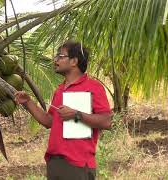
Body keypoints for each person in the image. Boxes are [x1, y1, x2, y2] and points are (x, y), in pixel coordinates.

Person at [15, 41, 112, 180]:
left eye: (60, 56)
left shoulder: (93, 87)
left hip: (77, 164)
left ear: (74, 61)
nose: (55, 60)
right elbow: (49, 121)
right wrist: (28, 102)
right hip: (55, 162)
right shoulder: (60, 90)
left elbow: (106, 121)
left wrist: (76, 114)